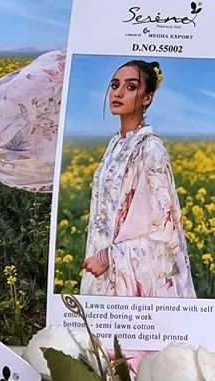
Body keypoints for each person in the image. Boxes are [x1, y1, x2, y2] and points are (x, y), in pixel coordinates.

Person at [79, 60, 195, 299]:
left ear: (147, 98)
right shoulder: (116, 144)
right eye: (115, 85)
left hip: (131, 277)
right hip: (102, 270)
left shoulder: (151, 149)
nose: (118, 93)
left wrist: (108, 257)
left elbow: (163, 233)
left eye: (131, 87)